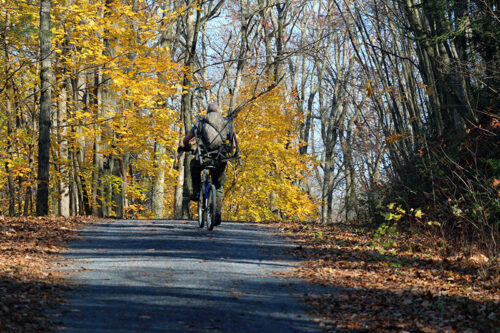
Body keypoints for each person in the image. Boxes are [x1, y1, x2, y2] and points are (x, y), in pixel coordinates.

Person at [179, 103, 234, 226]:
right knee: (219, 186)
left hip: (204, 158)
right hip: (220, 159)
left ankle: (197, 191)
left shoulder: (200, 122)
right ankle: (217, 213)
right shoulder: (227, 123)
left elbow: (185, 140)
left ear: (207, 112)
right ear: (219, 112)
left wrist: (188, 147)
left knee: (193, 166)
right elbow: (234, 145)